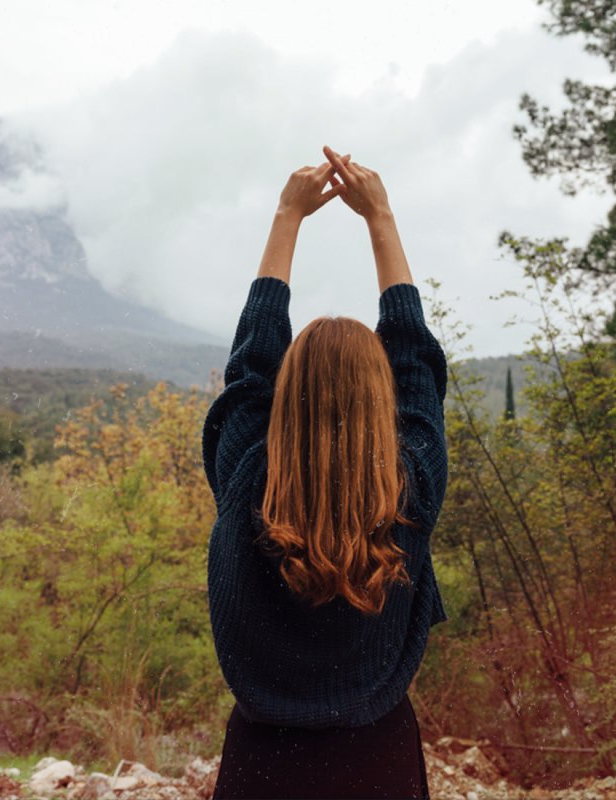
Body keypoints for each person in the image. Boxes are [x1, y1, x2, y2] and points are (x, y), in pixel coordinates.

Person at [202, 144, 449, 799]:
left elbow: (251, 364)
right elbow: (416, 361)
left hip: (262, 765)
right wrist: (381, 218)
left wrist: (287, 215)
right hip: (382, 761)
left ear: (287, 395)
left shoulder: (245, 475)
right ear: (382, 401)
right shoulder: (412, 489)